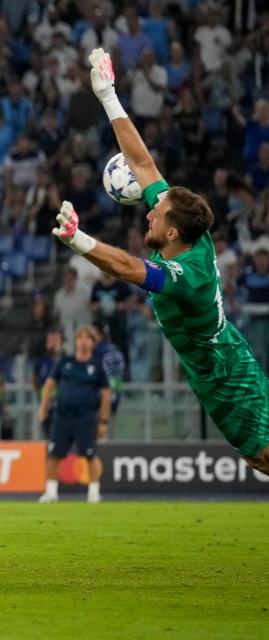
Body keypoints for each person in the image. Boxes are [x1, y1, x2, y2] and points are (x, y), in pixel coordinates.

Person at [53, 48, 269, 473]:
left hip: (223, 375)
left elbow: (130, 269)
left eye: (156, 212)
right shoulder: (189, 232)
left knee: (262, 456)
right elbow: (142, 162)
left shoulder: (186, 274)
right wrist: (108, 95)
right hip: (226, 358)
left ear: (171, 232)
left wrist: (79, 240)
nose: (149, 209)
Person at [36, 326, 111, 504]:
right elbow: (49, 385)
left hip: (85, 417)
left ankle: (93, 493)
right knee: (54, 455)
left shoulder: (97, 366)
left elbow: (106, 395)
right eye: (80, 338)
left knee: (90, 455)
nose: (83, 341)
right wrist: (43, 408)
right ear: (75, 341)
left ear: (93, 343)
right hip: (62, 416)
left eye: (87, 338)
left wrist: (103, 421)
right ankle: (51, 492)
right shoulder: (65, 362)